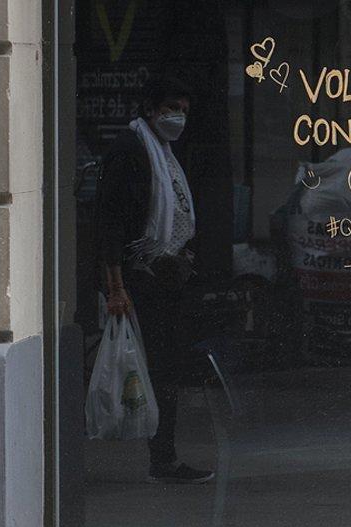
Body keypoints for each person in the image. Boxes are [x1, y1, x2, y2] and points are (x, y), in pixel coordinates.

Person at [94, 76, 215, 484]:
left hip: (164, 275)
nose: (177, 116)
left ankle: (163, 456)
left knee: (167, 369)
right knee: (160, 369)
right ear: (149, 107)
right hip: (140, 277)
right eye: (170, 107)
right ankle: (162, 460)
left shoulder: (163, 151)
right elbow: (109, 221)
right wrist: (116, 286)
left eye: (183, 108)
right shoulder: (131, 149)